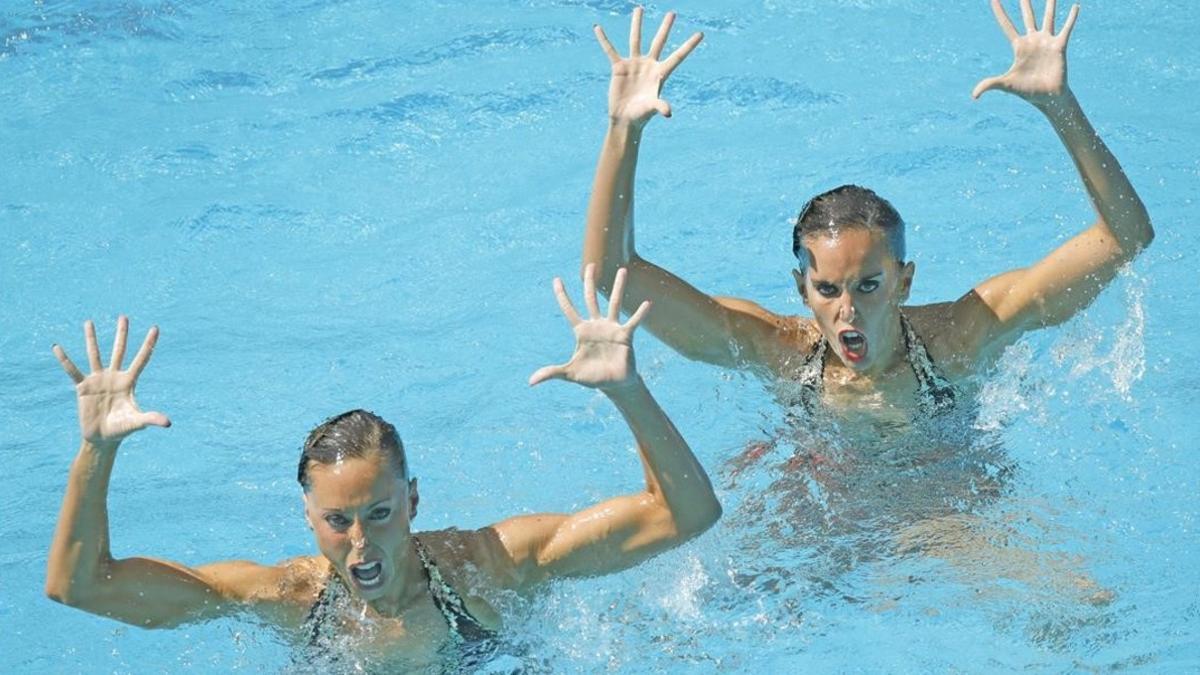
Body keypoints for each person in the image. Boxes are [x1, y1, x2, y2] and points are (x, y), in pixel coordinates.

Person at [44, 266, 721, 670]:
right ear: (308, 518)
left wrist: (628, 391)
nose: (362, 544)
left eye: (379, 513)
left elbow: (686, 514)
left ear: (414, 500)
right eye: (338, 521)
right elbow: (80, 587)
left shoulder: (490, 565)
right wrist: (95, 453)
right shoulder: (285, 599)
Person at [582, 2, 1153, 422]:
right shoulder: (775, 351)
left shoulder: (961, 337)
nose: (848, 310)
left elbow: (1124, 238)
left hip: (942, 490)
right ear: (801, 289)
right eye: (827, 289)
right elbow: (612, 278)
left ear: (906, 282)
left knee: (1081, 591)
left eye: (870, 285)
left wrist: (1061, 108)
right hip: (825, 489)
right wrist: (619, 132)